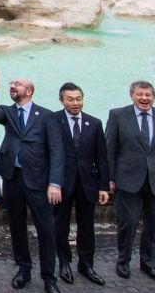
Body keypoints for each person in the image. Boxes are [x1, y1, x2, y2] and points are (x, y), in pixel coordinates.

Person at [0, 67, 63, 293]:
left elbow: (57, 151)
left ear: (28, 90)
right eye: (11, 83)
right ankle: (23, 269)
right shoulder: (7, 112)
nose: (12, 86)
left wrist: (54, 183)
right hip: (12, 179)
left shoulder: (46, 115)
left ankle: (49, 277)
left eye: (16, 83)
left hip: (39, 181)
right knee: (17, 227)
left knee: (46, 230)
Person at [105, 80, 155, 283]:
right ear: (132, 95)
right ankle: (123, 262)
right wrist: (108, 179)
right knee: (127, 223)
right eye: (140, 94)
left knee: (154, 226)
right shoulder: (117, 116)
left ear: (153, 97)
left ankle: (149, 264)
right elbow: (109, 151)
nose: (144, 98)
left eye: (148, 95)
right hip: (127, 180)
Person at [51, 83, 110, 286]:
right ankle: (64, 262)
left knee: (87, 226)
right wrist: (52, 183)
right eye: (71, 99)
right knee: (60, 225)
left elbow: (102, 157)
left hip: (87, 184)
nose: (75, 103)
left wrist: (103, 186)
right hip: (62, 184)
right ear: (62, 100)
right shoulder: (52, 121)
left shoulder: (94, 123)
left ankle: (86, 265)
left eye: (78, 99)